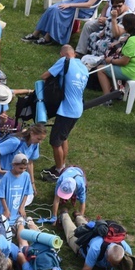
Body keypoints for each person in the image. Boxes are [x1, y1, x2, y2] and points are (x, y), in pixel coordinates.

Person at [40, 45, 89, 182]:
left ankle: (59, 171)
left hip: (66, 109)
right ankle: (60, 166)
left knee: (55, 142)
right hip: (77, 108)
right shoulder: (84, 67)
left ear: (63, 54)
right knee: (63, 137)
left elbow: (45, 76)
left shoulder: (64, 61)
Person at [60, 211, 135, 270]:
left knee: (87, 226)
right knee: (72, 233)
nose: (114, 266)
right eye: (112, 263)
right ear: (107, 256)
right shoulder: (95, 248)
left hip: (95, 235)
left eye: (116, 264)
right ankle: (65, 215)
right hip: (83, 243)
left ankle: (78, 216)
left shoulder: (126, 249)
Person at [96, 14, 135, 95]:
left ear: (126, 25)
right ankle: (116, 93)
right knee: (110, 67)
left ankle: (106, 99)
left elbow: (124, 62)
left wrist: (111, 60)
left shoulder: (132, 41)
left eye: (123, 25)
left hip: (131, 71)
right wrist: (120, 42)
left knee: (100, 69)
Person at [0, 154, 34, 225]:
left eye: (25, 168)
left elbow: (26, 193)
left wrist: (22, 207)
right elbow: (1, 195)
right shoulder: (6, 177)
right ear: (14, 165)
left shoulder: (26, 176)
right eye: (20, 168)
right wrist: (6, 210)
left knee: (20, 225)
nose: (23, 170)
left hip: (18, 210)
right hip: (7, 209)